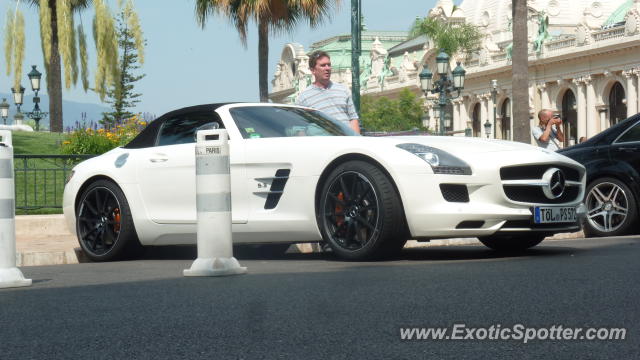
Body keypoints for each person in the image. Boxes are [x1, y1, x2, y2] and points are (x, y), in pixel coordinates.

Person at [296, 51, 361, 134]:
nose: (327, 68)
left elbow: (353, 118)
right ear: (313, 70)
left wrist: (356, 140)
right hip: (324, 144)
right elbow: (299, 128)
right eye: (323, 65)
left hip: (346, 141)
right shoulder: (303, 97)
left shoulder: (343, 90)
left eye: (329, 65)